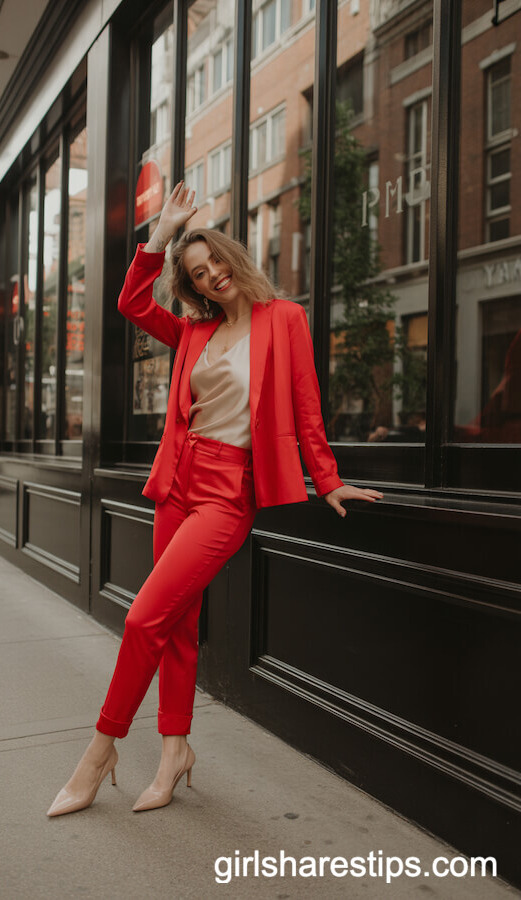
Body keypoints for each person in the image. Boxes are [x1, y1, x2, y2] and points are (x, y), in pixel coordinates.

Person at [46, 182, 383, 818]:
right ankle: (175, 750)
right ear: (195, 287)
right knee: (175, 623)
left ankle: (99, 752)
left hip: (229, 492)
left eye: (215, 262)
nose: (212, 275)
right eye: (199, 273)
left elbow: (306, 405)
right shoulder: (194, 331)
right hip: (178, 481)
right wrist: (163, 233)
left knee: (143, 619)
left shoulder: (284, 319)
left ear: (233, 257)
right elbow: (129, 301)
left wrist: (328, 478)